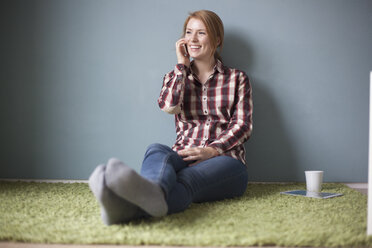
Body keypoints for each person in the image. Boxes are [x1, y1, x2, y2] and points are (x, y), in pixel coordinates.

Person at [88, 10, 253, 225]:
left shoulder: (237, 78)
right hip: (183, 156)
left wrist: (211, 150)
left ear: (217, 39)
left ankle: (127, 206)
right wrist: (182, 66)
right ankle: (149, 193)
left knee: (185, 180)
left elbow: (242, 125)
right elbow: (169, 106)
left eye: (201, 33)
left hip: (226, 162)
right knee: (156, 149)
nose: (192, 39)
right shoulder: (174, 76)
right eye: (188, 32)